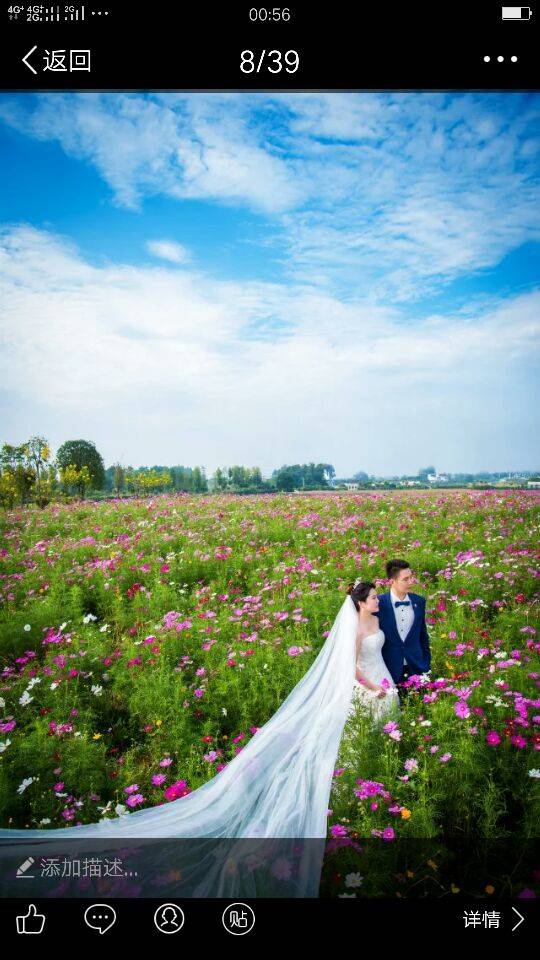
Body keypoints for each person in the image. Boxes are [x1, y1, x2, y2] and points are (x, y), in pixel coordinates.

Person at [377, 558, 431, 703]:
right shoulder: (378, 603)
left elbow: (423, 635)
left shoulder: (419, 601)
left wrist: (426, 663)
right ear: (392, 581)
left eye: (411, 577)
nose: (411, 582)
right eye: (405, 579)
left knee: (418, 707)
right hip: (390, 667)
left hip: (416, 666)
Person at [346, 579, 400, 722]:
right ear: (361, 603)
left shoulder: (376, 620)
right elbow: (351, 667)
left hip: (383, 673)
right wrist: (373, 687)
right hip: (366, 680)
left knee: (390, 715)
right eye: (374, 598)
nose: (378, 601)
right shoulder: (356, 630)